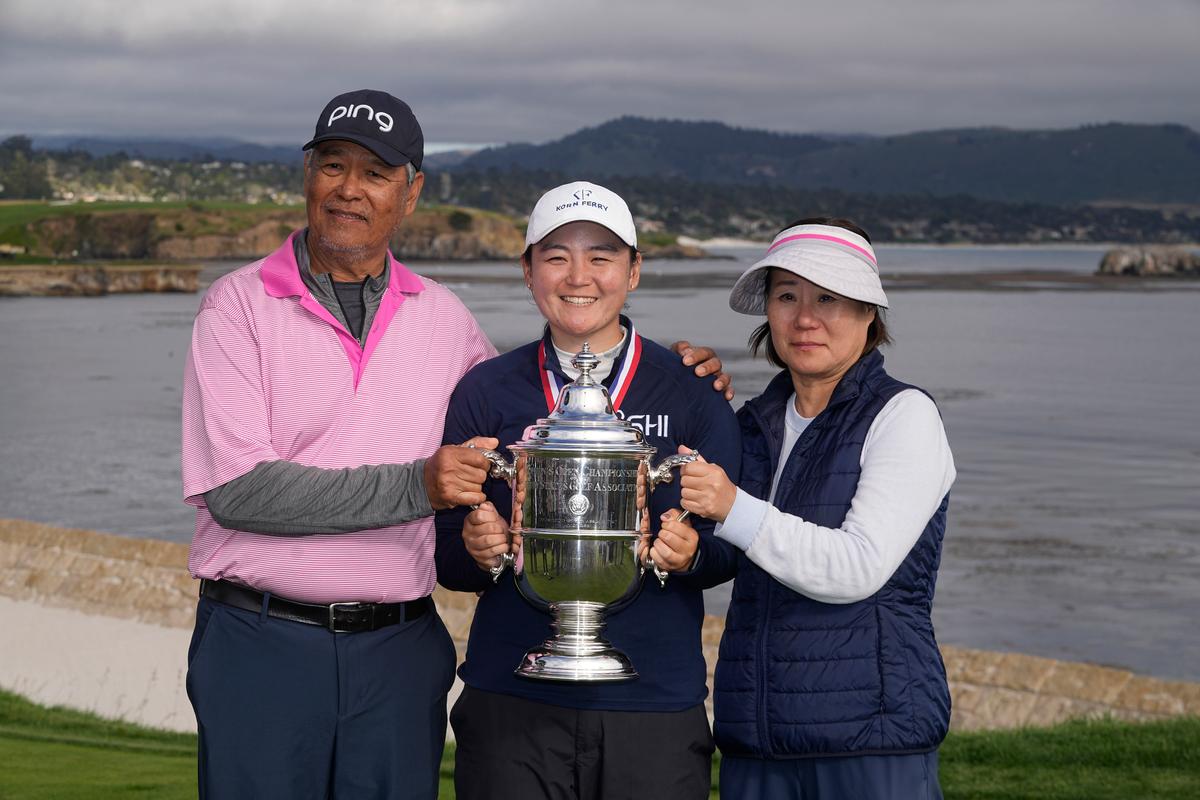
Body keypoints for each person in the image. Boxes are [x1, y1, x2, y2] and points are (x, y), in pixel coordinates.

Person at [181, 92, 732, 800]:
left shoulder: (444, 320)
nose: (350, 189)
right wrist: (420, 486)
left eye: (376, 174)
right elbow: (236, 491)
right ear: (308, 176)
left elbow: (525, 408)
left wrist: (685, 372)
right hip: (262, 640)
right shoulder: (236, 306)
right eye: (333, 165)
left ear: (410, 193)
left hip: (398, 651)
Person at [435, 181, 742, 800]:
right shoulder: (484, 390)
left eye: (601, 257)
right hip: (512, 696)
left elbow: (729, 550)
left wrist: (690, 555)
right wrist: (475, 548)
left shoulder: (691, 389)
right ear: (528, 271)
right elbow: (446, 561)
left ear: (634, 271)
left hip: (652, 702)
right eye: (556, 257)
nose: (579, 277)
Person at [676, 218, 956, 799]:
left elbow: (857, 567)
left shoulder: (904, 416)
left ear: (869, 312)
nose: (805, 318)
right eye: (787, 297)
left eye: (828, 298)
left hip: (870, 742)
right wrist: (681, 396)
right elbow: (716, 549)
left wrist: (731, 505)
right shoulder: (751, 424)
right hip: (756, 742)